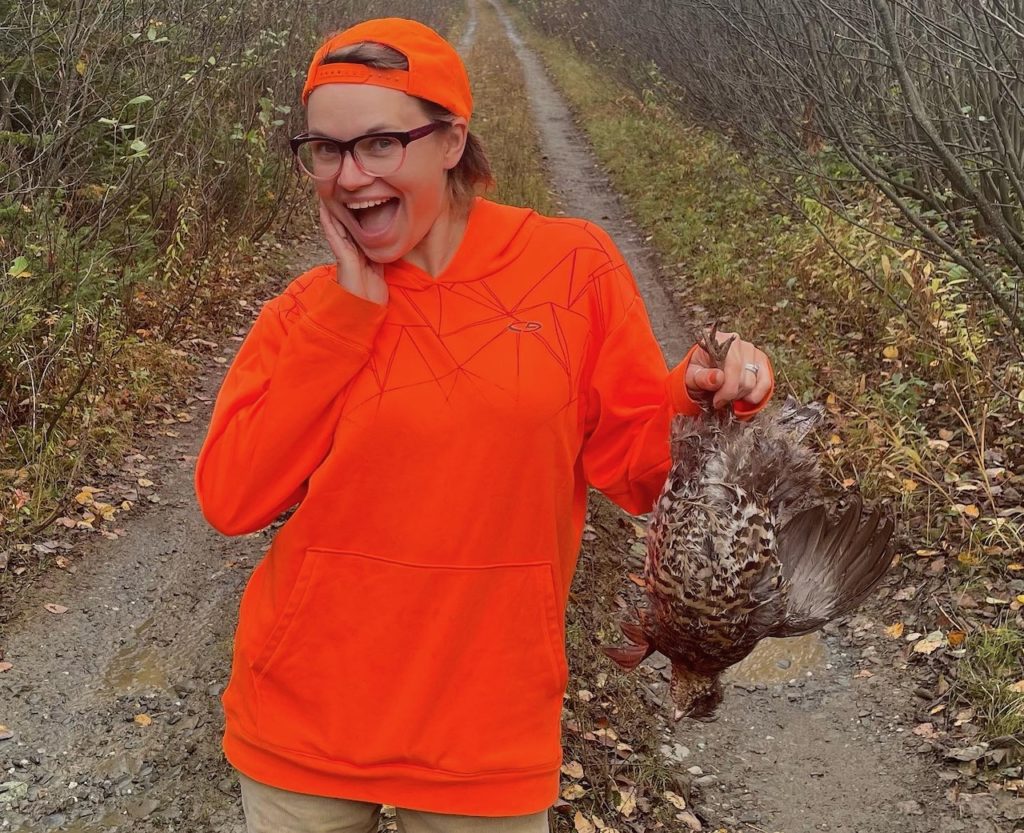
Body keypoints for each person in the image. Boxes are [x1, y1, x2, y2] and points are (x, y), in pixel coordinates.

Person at [193, 16, 774, 833]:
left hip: (486, 728)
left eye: (379, 144)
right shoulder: (303, 316)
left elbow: (639, 471)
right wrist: (344, 317)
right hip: (304, 721)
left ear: (452, 139)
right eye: (324, 150)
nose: (349, 176)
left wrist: (707, 398)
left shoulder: (571, 268)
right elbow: (231, 498)